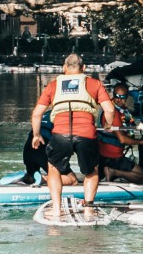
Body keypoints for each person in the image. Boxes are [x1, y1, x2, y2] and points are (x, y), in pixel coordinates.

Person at [31, 53, 117, 224]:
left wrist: (36, 135)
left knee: (53, 168)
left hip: (60, 135)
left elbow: (37, 114)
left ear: (64, 68)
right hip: (86, 134)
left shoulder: (53, 86)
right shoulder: (94, 84)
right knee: (91, 170)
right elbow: (110, 110)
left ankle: (56, 210)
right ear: (84, 68)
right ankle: (89, 209)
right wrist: (107, 125)